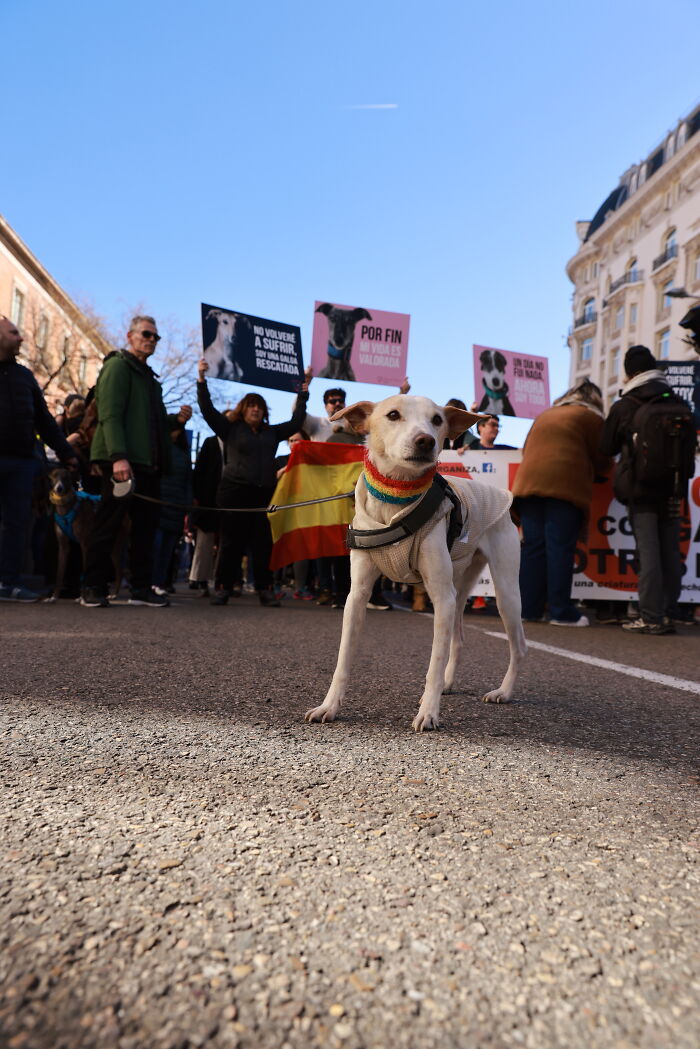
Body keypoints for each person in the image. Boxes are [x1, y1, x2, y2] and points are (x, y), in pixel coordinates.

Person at [197, 358, 309, 606]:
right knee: (230, 544)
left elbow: (295, 422)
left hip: (263, 495)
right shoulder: (230, 429)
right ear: (243, 409)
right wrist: (202, 380)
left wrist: (303, 393)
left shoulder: (272, 433)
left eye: (259, 406)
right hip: (234, 494)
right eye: (251, 406)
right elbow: (207, 410)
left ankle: (265, 589)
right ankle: (224, 587)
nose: (255, 410)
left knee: (263, 546)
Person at [600, 345, 695, 635]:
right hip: (674, 488)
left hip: (641, 489)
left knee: (649, 551)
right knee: (670, 549)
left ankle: (651, 617)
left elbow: (606, 447)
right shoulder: (677, 401)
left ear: (629, 372)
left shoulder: (625, 405)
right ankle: (668, 611)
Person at [81, 315, 172, 608]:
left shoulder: (149, 379)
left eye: (156, 336)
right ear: (130, 335)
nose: (151, 339)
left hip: (148, 464)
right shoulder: (118, 366)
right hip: (121, 462)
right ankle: (93, 586)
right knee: (108, 524)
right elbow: (110, 414)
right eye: (146, 334)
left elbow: (151, 423)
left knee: (146, 529)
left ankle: (140, 589)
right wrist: (119, 457)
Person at [512, 379, 609, 627]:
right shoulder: (590, 417)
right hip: (564, 485)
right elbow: (602, 457)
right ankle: (561, 611)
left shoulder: (547, 414)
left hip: (528, 485)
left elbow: (526, 449)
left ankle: (528, 609)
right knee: (559, 547)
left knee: (534, 547)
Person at [0, 316, 79, 601]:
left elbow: (45, 422)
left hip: (22, 462)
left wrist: (67, 454)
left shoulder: (24, 376)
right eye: (13, 333)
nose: (21, 338)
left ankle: (8, 582)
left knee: (16, 523)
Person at [152, 406, 193, 593]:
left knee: (168, 551)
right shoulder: (158, 450)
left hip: (176, 508)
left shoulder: (184, 454)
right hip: (158, 504)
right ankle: (149, 582)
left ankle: (159, 582)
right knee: (155, 547)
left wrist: (187, 504)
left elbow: (188, 481)